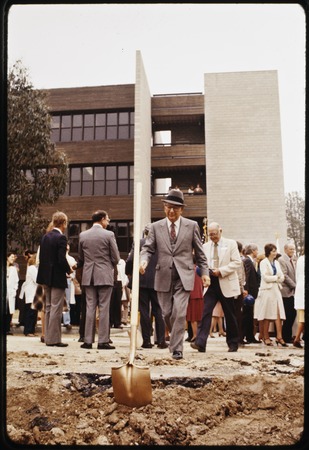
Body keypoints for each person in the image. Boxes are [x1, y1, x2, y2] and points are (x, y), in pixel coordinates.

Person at [139, 189, 210, 360]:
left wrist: (205, 273)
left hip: (184, 276)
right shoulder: (156, 227)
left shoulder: (192, 226)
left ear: (182, 210)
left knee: (179, 312)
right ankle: (174, 340)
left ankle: (177, 348)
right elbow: (148, 248)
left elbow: (200, 253)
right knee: (166, 314)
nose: (171, 211)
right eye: (168, 208)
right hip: (163, 275)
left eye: (175, 208)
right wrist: (144, 261)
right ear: (164, 208)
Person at [191, 222, 241, 353]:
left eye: (215, 234)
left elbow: (237, 262)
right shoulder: (205, 246)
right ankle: (200, 342)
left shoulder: (231, 244)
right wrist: (205, 272)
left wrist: (222, 270)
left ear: (221, 231)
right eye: (210, 235)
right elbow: (201, 262)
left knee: (229, 314)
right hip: (211, 282)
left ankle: (233, 343)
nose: (213, 237)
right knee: (205, 312)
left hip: (225, 280)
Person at [78, 210, 120, 350]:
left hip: (88, 275)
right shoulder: (109, 235)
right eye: (107, 220)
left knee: (90, 308)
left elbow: (81, 258)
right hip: (104, 275)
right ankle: (103, 341)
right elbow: (116, 257)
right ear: (102, 219)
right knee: (104, 308)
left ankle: (87, 340)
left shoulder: (83, 235)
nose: (108, 222)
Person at [127, 223, 167, 349]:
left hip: (141, 279)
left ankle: (146, 341)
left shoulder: (139, 242)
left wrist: (128, 273)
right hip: (158, 280)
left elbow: (131, 259)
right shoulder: (161, 243)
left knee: (144, 311)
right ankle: (161, 341)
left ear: (145, 233)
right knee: (158, 310)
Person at [36, 211, 71, 347]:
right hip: (57, 277)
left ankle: (49, 338)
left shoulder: (45, 237)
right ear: (63, 223)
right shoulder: (61, 238)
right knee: (56, 308)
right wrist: (69, 269)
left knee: (49, 307)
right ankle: (54, 339)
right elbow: (61, 259)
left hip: (45, 277)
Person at [254, 243, 286, 346]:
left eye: (276, 251)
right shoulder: (263, 262)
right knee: (266, 314)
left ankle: (279, 336)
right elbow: (265, 277)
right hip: (266, 291)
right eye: (273, 251)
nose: (275, 253)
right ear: (268, 252)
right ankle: (266, 336)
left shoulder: (276, 263)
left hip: (276, 290)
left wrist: (277, 278)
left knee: (278, 313)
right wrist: (276, 278)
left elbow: (282, 277)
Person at [278, 243, 297, 343]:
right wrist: (294, 286)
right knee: (289, 314)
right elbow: (284, 275)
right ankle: (285, 336)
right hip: (286, 291)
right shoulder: (282, 260)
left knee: (292, 314)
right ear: (285, 250)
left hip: (292, 292)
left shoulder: (293, 260)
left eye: (293, 249)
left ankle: (287, 335)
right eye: (291, 249)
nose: (293, 251)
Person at [242, 243, 261, 344]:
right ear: (253, 251)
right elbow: (247, 275)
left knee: (249, 315)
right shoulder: (248, 261)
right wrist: (246, 290)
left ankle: (250, 336)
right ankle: (242, 336)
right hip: (248, 293)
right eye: (257, 250)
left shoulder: (249, 260)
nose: (257, 252)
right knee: (246, 315)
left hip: (251, 292)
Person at [21, 253, 39, 337]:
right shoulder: (32, 268)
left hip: (33, 294)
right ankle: (28, 331)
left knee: (33, 313)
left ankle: (31, 330)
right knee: (30, 313)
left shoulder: (33, 268)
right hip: (31, 294)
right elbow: (37, 280)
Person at [186, 263, 204, 342]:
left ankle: (195, 335)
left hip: (192, 294)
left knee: (193, 318)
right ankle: (197, 334)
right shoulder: (199, 269)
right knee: (199, 317)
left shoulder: (190, 270)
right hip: (200, 294)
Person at [62, 242, 77, 331]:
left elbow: (74, 271)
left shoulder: (71, 259)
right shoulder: (60, 257)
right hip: (60, 279)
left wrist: (71, 276)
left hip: (68, 280)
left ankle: (66, 321)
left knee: (66, 302)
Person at [293, 252, 305, 348]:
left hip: (300, 288)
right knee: (302, 318)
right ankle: (297, 338)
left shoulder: (300, 259)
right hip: (303, 289)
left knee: (301, 317)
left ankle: (297, 338)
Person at [6, 252, 19, 335]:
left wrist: (15, 289)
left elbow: (16, 281)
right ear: (7, 257)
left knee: (9, 312)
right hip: (5, 292)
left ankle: (7, 329)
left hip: (10, 292)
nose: (13, 258)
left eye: (13, 257)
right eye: (11, 257)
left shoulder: (13, 269)